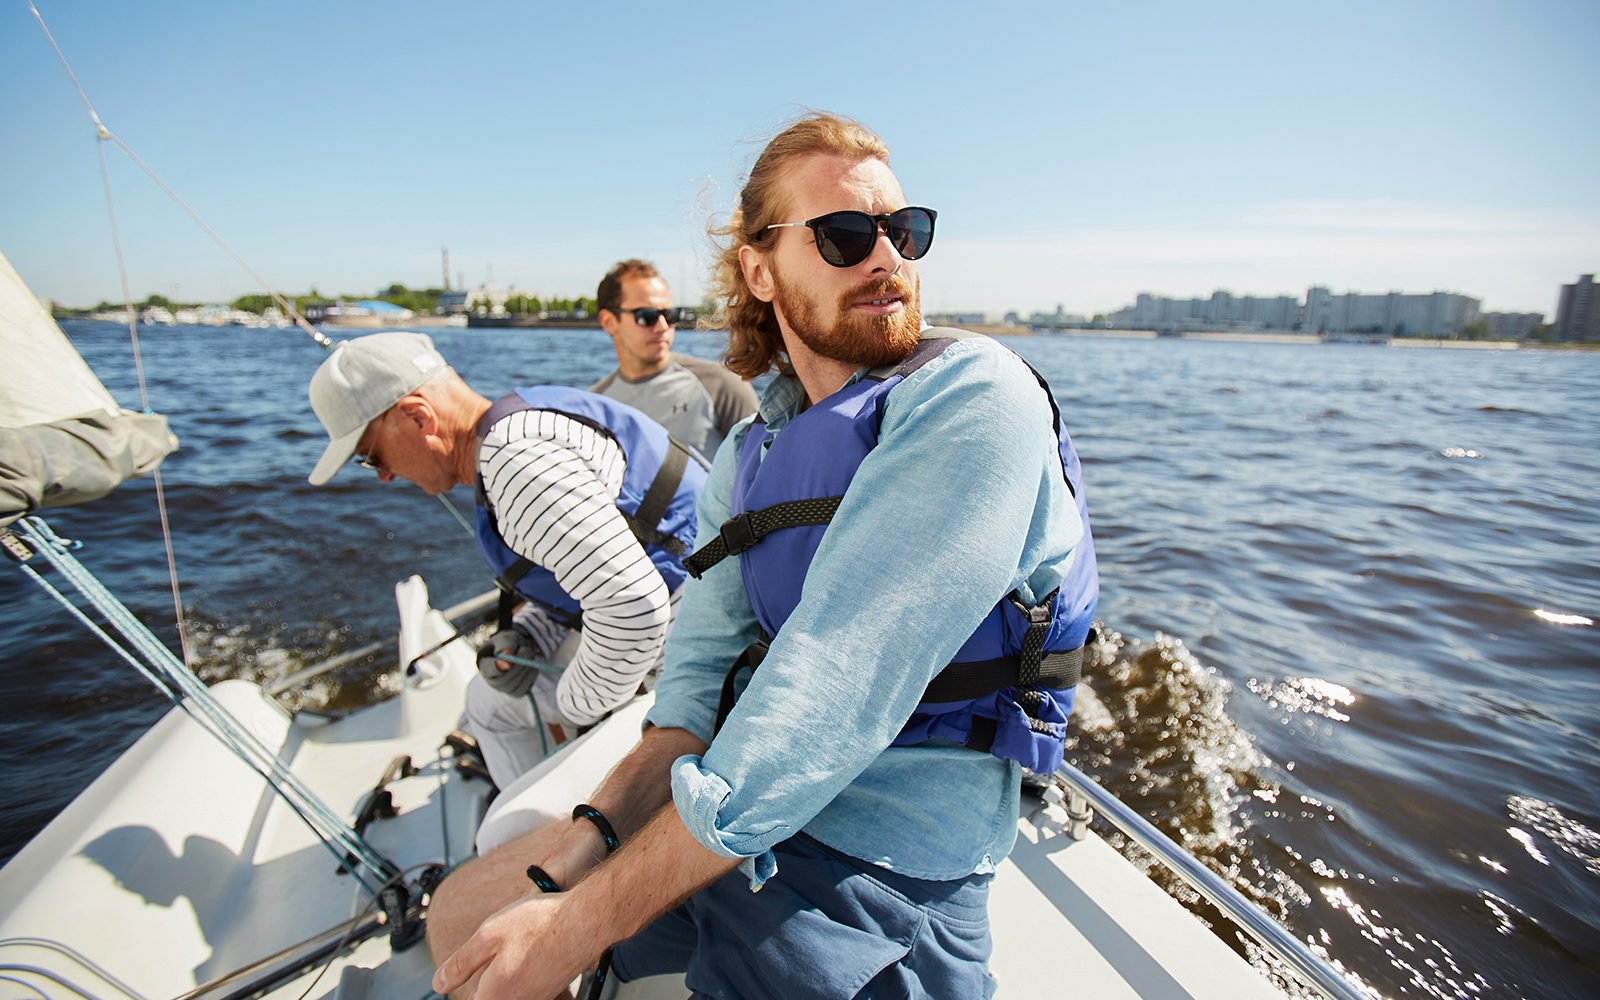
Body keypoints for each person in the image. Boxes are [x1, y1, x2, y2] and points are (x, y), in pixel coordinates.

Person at [427, 112, 1098, 1000]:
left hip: (879, 870)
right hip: (733, 814)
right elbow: (694, 691)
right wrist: (573, 860)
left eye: (905, 232)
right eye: (845, 235)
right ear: (758, 268)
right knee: (459, 919)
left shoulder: (977, 398)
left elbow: (834, 686)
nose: (887, 258)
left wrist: (577, 923)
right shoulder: (750, 454)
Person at [305, 332, 706, 789]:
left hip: (697, 645)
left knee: (491, 710)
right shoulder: (521, 427)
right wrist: (529, 635)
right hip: (689, 605)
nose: (383, 475)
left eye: (370, 455)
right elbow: (602, 573)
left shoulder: (514, 466)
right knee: (486, 697)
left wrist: (577, 709)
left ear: (419, 417)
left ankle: (536, 831)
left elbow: (634, 608)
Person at [591, 259, 757, 458]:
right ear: (609, 322)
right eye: (647, 316)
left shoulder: (721, 384)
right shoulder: (594, 405)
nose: (662, 326)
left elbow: (765, 466)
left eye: (669, 315)